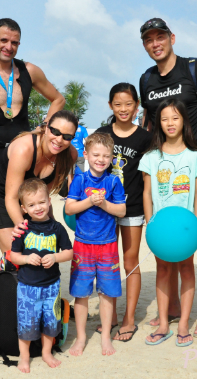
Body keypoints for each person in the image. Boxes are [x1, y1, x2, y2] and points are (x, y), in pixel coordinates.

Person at [0, 18, 66, 288]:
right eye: (4, 40)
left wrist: (45, 129)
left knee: (31, 217)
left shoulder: (29, 71)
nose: (8, 46)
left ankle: (27, 280)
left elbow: (58, 99)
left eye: (14, 42)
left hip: (24, 156)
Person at [139, 18, 197, 338]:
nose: (155, 43)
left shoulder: (194, 69)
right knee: (167, 238)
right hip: (164, 168)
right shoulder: (146, 79)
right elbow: (150, 123)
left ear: (172, 38)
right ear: (145, 45)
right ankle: (172, 308)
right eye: (149, 39)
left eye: (160, 37)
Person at [139, 99, 197, 347]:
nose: (170, 123)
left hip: (185, 229)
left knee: (187, 270)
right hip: (161, 229)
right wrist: (151, 224)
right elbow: (147, 193)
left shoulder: (196, 157)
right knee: (163, 270)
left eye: (175, 117)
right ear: (158, 123)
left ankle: (182, 325)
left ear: (184, 121)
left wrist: (196, 226)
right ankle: (162, 325)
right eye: (164, 118)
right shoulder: (150, 157)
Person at [0, 110, 77, 264]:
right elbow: (11, 197)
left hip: (29, 198)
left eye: (67, 136)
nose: (59, 140)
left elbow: (43, 194)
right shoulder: (24, 148)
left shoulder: (69, 155)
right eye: (55, 132)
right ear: (46, 128)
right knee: (18, 252)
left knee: (41, 247)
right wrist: (25, 230)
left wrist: (51, 224)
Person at [95, 83, 152, 342]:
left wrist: (149, 213)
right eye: (118, 104)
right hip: (103, 208)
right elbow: (92, 166)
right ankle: (112, 316)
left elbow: (148, 178)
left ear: (136, 105)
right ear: (110, 105)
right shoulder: (102, 133)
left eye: (128, 104)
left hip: (133, 208)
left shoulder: (145, 138)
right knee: (108, 262)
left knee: (130, 262)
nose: (123, 109)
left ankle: (129, 319)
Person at [66, 132, 126, 356]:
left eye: (106, 156)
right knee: (81, 293)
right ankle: (81, 337)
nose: (101, 159)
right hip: (83, 245)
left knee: (107, 293)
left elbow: (121, 210)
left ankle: (105, 337)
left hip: (108, 245)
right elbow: (69, 208)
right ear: (86, 154)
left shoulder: (113, 181)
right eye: (96, 155)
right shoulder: (80, 179)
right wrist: (90, 201)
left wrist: (103, 204)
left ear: (112, 158)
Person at [9, 178, 73, 373]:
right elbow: (13, 256)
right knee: (27, 323)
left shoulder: (57, 228)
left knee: (51, 322)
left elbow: (69, 252)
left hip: (52, 285)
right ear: (23, 208)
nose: (38, 208)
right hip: (27, 287)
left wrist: (55, 257)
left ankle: (46, 352)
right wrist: (27, 259)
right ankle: (24, 356)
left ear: (49, 201)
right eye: (31, 205)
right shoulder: (23, 230)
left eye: (42, 202)